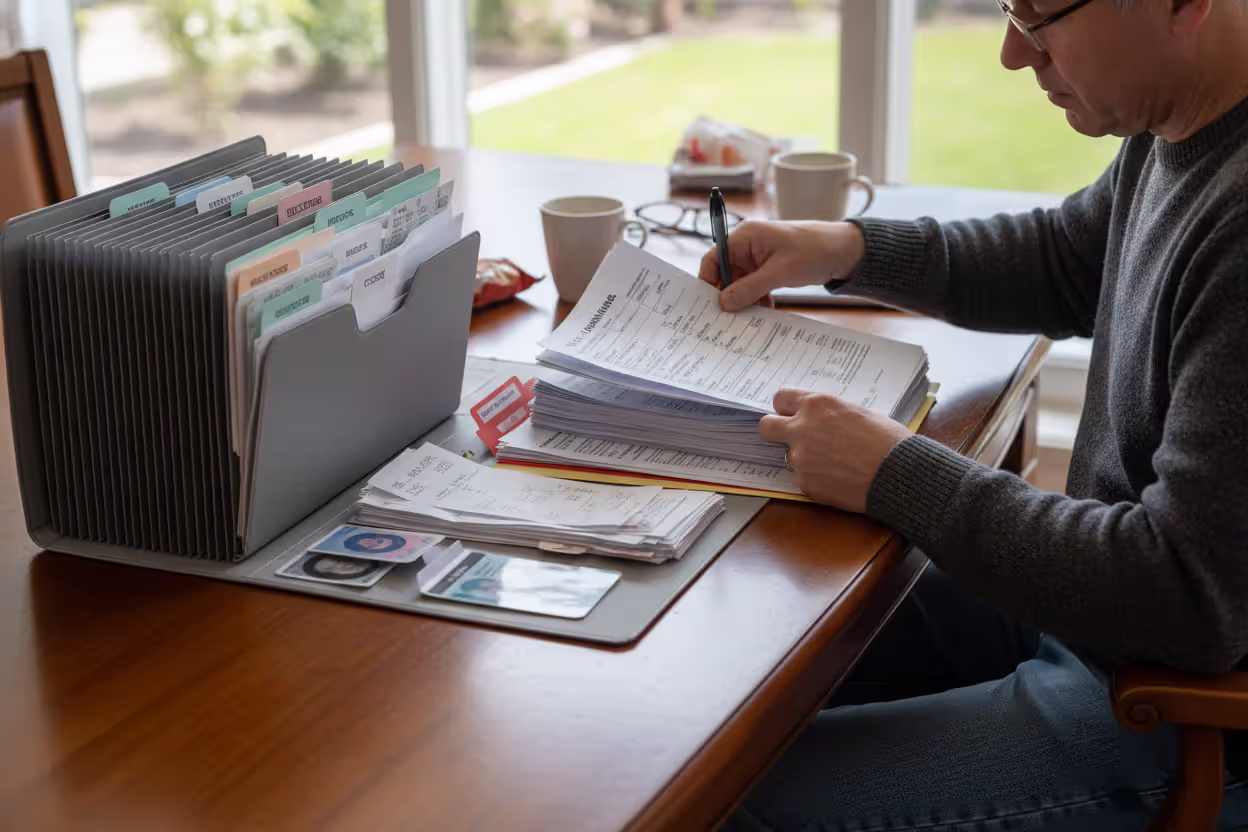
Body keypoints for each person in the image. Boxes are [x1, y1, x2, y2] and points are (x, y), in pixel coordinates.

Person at [700, 0, 1248, 828]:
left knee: (726, 802)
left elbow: (1188, 598)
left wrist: (896, 472)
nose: (1010, 54)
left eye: (1039, 14)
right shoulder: (1178, 114)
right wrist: (845, 250)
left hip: (1179, 709)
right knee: (739, 674)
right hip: (1098, 622)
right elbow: (1070, 260)